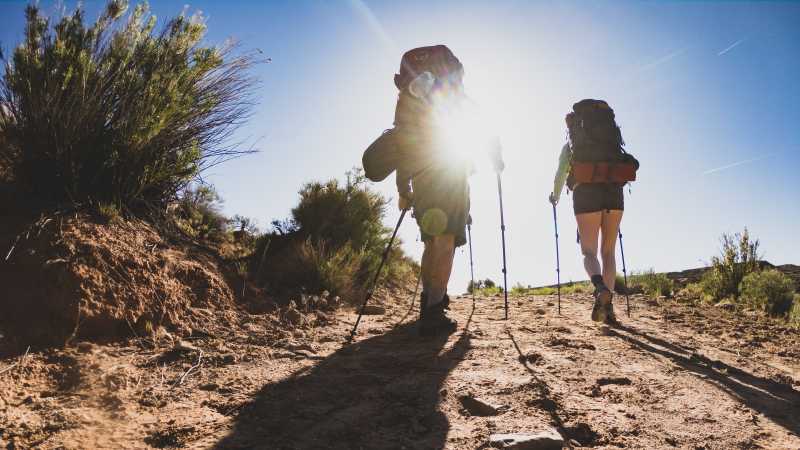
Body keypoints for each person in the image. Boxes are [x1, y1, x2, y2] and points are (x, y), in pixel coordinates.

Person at [391, 45, 503, 336]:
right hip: (452, 173)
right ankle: (433, 310)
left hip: (422, 176)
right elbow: (483, 126)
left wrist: (403, 188)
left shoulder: (408, 98)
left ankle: (430, 301)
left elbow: (403, 143)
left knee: (431, 242)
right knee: (445, 241)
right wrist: (496, 160)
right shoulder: (455, 96)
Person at [549, 99, 637, 325]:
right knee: (608, 251)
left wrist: (555, 196)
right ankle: (608, 308)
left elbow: (561, 173)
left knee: (588, 252)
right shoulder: (611, 142)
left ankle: (599, 288)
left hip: (585, 194)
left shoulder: (572, 146)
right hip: (614, 194)